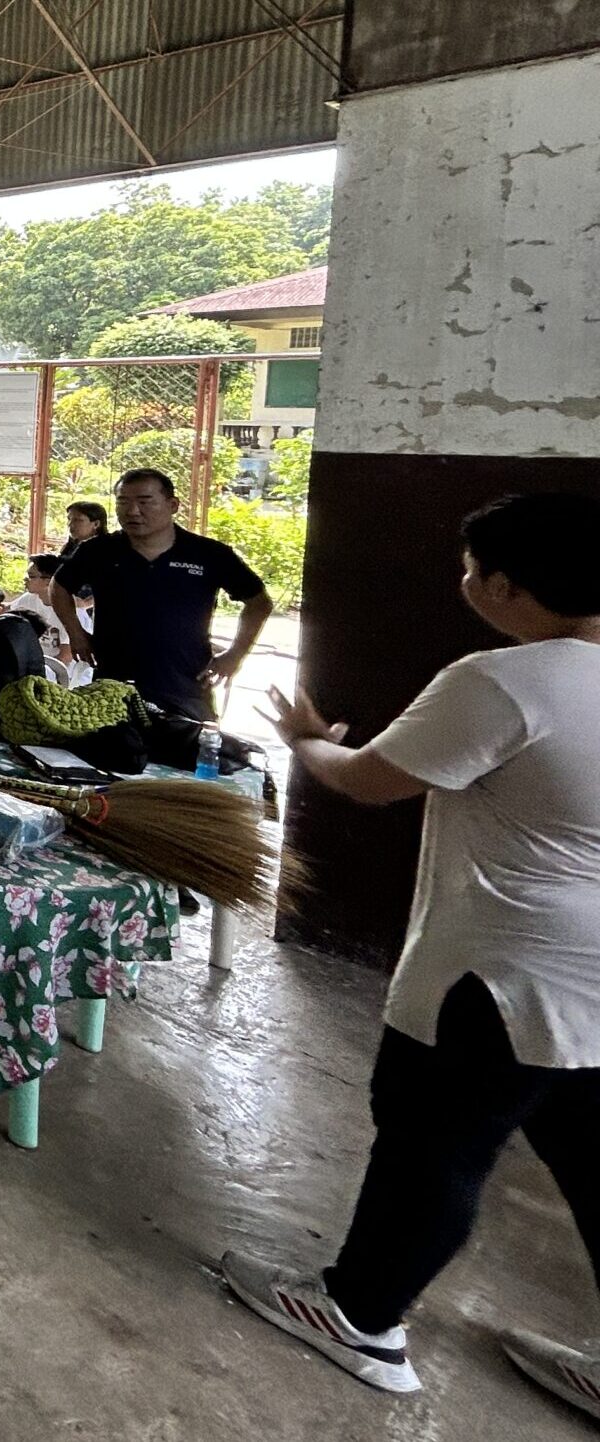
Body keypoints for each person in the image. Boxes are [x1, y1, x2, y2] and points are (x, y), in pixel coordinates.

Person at [219, 493, 600, 1420]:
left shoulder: (504, 681)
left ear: (506, 587)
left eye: (473, 570)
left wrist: (307, 741)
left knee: (435, 1148)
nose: (465, 583)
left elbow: (373, 780)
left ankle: (360, 1317)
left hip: (501, 975)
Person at [54, 468, 272, 721]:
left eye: (145, 502)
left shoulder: (208, 554)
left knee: (188, 753)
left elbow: (258, 603)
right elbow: (58, 587)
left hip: (185, 683)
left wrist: (235, 654)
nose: (133, 511)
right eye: (123, 502)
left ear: (173, 505)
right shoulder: (99, 551)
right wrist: (76, 634)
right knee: (113, 753)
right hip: (113, 682)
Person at [5, 555, 72, 660]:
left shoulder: (70, 611)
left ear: (49, 581)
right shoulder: (28, 599)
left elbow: (66, 656)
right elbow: (5, 612)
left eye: (31, 576)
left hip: (59, 671)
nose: (25, 579)